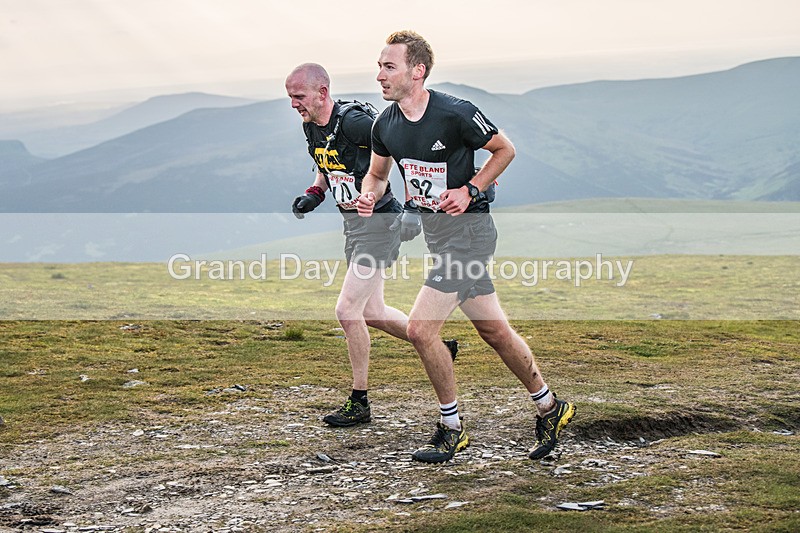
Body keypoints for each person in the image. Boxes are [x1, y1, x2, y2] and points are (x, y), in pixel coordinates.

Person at [356, 32, 575, 463]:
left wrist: (470, 189)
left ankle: (451, 427)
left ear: (417, 71)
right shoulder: (385, 124)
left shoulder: (455, 113)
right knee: (494, 332)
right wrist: (370, 195)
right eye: (379, 65)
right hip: (440, 239)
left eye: (389, 66)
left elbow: (504, 149)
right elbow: (378, 175)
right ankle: (551, 407)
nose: (379, 75)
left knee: (420, 330)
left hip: (470, 235)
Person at [285, 63, 458, 427]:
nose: (294, 105)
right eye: (290, 98)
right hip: (354, 225)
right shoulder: (312, 125)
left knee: (347, 311)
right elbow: (326, 163)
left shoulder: (355, 122)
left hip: (379, 222)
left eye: (299, 97)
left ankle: (359, 401)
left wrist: (413, 206)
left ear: (321, 92)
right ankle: (437, 346)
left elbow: (405, 152)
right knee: (372, 313)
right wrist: (315, 193)